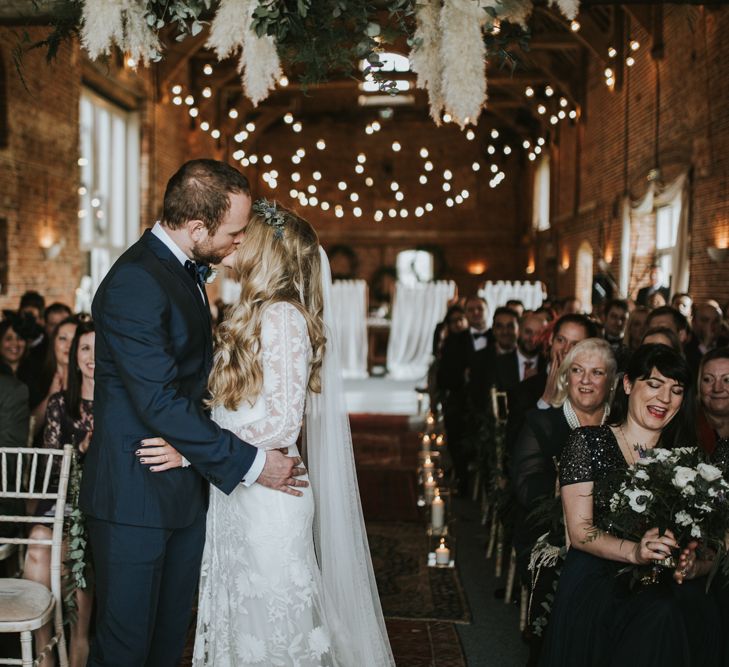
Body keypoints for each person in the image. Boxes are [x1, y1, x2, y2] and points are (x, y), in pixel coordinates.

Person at [142, 201, 394, 665]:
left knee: (275, 632)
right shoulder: (257, 312)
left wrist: (195, 450)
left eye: (245, 234)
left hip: (270, 495)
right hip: (241, 488)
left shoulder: (282, 316)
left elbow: (282, 422)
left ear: (267, 248)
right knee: (244, 623)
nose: (234, 239)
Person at [79, 159, 307, 667]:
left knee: (164, 646)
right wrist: (251, 461)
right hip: (133, 499)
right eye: (234, 231)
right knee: (124, 650)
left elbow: (193, 388)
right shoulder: (136, 280)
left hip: (181, 490)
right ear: (197, 227)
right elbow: (157, 399)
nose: (240, 241)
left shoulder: (181, 271)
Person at [540, 344, 721, 666]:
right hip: (601, 576)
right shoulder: (588, 442)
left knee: (696, 611)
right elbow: (581, 532)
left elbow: (710, 545)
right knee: (660, 614)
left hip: (668, 580)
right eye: (653, 384)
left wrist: (695, 565)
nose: (664, 399)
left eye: (676, 390)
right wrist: (635, 552)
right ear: (627, 385)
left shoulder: (691, 459)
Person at [511, 338, 616, 663]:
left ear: (611, 381)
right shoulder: (542, 423)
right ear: (564, 377)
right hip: (549, 531)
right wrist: (573, 497)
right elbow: (528, 488)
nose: (585, 380)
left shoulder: (622, 428)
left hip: (614, 533)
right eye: (577, 371)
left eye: (596, 372)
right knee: (562, 568)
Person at [23, 319, 96, 667]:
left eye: (99, 348)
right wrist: (80, 448)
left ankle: (75, 646)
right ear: (75, 355)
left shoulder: (119, 402)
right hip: (60, 504)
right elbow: (55, 472)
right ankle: (48, 653)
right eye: (85, 348)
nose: (92, 356)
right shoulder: (59, 405)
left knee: (65, 553)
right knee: (39, 540)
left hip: (98, 508)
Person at [696, 347, 729, 456]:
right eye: (708, 379)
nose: (717, 388)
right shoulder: (685, 428)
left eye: (727, 380)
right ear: (699, 385)